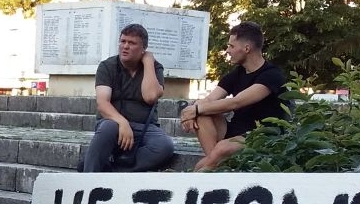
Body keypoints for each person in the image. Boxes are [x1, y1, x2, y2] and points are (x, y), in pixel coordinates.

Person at [179, 21, 288, 171]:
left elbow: (236, 103)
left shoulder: (272, 76)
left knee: (219, 150)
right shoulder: (236, 74)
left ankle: (209, 166)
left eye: (231, 46)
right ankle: (215, 164)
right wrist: (193, 111)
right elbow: (210, 99)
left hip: (263, 136)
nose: (227, 51)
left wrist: (195, 109)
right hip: (235, 132)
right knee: (203, 115)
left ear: (247, 48)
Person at [81, 23, 174, 173]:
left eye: (132, 43)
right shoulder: (107, 66)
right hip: (113, 124)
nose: (125, 46)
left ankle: (114, 171)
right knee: (107, 128)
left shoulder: (155, 68)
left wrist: (148, 62)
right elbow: (102, 103)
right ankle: (88, 177)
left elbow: (150, 97)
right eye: (123, 41)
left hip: (144, 127)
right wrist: (122, 123)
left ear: (143, 49)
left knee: (164, 145)